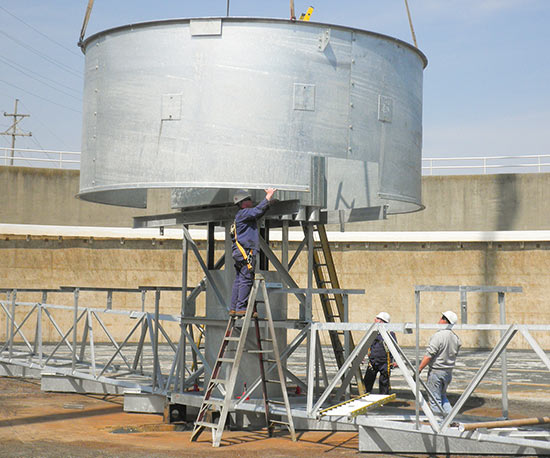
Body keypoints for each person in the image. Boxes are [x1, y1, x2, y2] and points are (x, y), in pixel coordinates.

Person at [230, 188, 276, 317]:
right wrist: (268, 196)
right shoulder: (243, 213)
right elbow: (256, 211)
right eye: (249, 200)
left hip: (239, 252)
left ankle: (234, 307)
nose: (251, 201)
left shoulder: (242, 216)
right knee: (246, 279)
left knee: (239, 279)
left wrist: (268, 204)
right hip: (246, 252)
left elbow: (257, 213)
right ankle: (241, 308)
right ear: (243, 202)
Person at [418, 310, 462, 417]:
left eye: (441, 318)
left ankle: (439, 425)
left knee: (435, 400)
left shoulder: (438, 336)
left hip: (436, 372)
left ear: (445, 321)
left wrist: (418, 369)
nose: (439, 320)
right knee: (442, 397)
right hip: (448, 373)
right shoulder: (455, 338)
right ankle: (450, 420)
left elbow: (429, 355)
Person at [363, 312, 397, 394]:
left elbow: (394, 348)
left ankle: (383, 400)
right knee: (367, 381)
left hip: (385, 362)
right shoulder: (373, 332)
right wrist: (362, 356)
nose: (375, 320)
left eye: (377, 318)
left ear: (382, 321)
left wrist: (395, 360)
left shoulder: (389, 333)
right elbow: (366, 344)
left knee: (384, 383)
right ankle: (366, 396)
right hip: (373, 361)